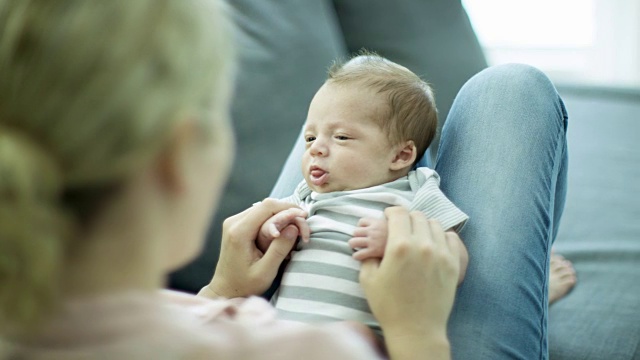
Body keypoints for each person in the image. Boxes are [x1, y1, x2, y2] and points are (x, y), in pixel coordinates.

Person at [0, 0, 462, 359]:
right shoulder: (315, 350)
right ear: (176, 159)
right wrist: (417, 335)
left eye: (335, 137)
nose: (313, 149)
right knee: (505, 91)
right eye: (309, 137)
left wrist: (220, 292)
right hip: (397, 316)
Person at [255, 54, 469, 334]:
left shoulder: (415, 188)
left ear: (401, 155)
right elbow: (261, 240)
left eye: (341, 137)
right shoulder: (307, 193)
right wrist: (269, 232)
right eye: (309, 138)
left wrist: (396, 242)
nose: (315, 149)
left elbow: (453, 254)